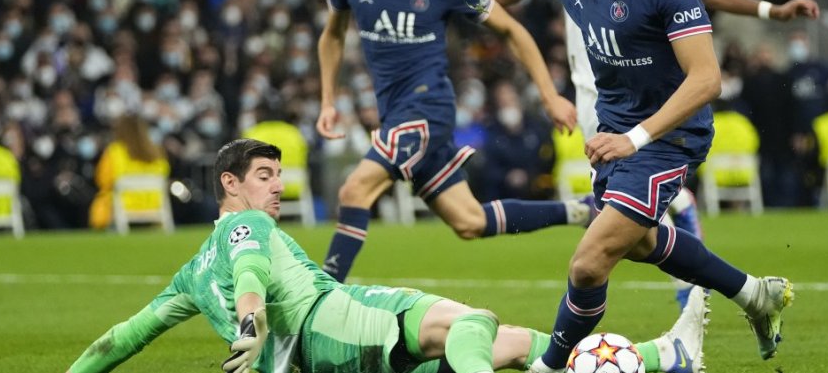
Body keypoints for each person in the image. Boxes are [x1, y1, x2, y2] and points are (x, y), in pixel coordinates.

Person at [391, 0, 794, 371]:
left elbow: (707, 80)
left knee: (588, 263)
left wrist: (634, 139)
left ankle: (549, 366)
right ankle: (754, 294)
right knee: (640, 241)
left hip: (668, 137)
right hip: (614, 132)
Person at [65, 138, 711, 373]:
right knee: (472, 322)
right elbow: (251, 272)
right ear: (229, 184)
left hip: (320, 358)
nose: (277, 186)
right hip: (336, 319)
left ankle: (666, 355)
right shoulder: (247, 226)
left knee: (513, 344)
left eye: (278, 174)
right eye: (264, 175)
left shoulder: (189, 274)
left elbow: (123, 338)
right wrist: (251, 320)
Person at [511, 0, 821, 308]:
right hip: (593, 97)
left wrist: (769, 10)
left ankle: (686, 294)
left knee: (604, 243)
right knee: (629, 233)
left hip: (652, 103)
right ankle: (742, 286)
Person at [317, 0, 587, 283]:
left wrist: (549, 95)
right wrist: (328, 101)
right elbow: (332, 36)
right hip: (396, 113)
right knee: (470, 221)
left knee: (354, 191)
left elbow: (511, 30)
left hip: (428, 110)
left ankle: (320, 295)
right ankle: (580, 210)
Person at [88, 113, 170, 230]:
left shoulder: (114, 152)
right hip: (154, 204)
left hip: (123, 206)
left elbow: (103, 181)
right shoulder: (157, 151)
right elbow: (164, 174)